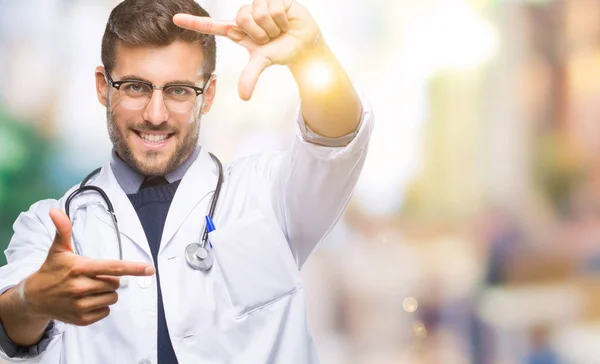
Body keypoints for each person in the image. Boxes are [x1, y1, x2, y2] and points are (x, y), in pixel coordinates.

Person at [0, 0, 373, 363]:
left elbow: (335, 140)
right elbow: (11, 324)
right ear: (103, 86)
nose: (155, 114)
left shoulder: (268, 194)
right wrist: (31, 301)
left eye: (178, 90)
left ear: (207, 95)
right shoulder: (52, 225)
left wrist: (312, 57)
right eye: (135, 87)